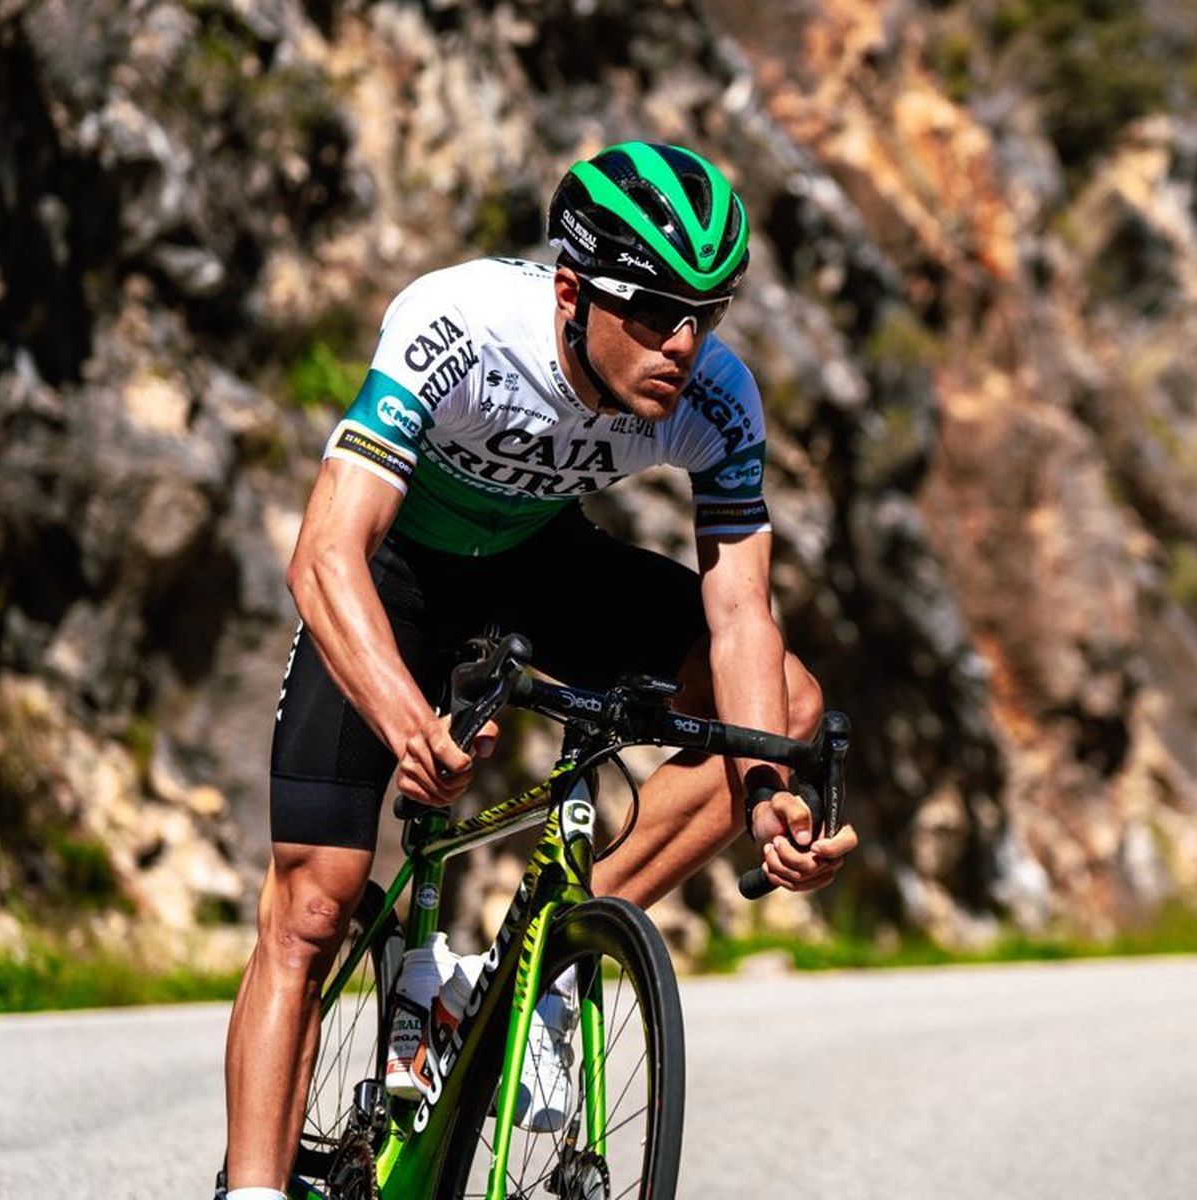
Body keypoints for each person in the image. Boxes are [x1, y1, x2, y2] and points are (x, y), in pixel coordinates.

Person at [219, 141, 859, 1200]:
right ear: (572, 291)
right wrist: (403, 720)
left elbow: (740, 608)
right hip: (397, 576)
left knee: (786, 705)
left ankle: (539, 978)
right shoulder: (459, 324)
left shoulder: (720, 398)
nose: (684, 344)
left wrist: (769, 797)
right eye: (652, 310)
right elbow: (325, 553)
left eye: (709, 313)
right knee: (314, 905)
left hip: (536, 564)